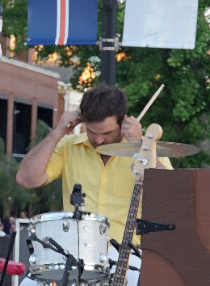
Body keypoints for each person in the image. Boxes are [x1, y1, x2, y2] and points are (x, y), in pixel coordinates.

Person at [16, 84, 172, 249]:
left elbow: (169, 194)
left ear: (124, 122)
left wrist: (139, 146)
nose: (98, 140)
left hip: (130, 255)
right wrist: (58, 131)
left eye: (107, 133)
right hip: (79, 254)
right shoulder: (69, 146)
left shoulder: (147, 148)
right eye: (91, 131)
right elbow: (26, 179)